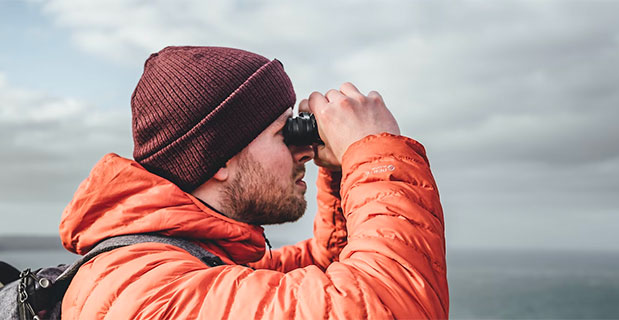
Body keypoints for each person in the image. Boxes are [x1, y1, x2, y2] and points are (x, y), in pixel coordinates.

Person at [59, 46, 448, 319]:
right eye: (286, 133)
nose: (306, 152)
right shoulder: (155, 297)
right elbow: (386, 306)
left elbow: (327, 271)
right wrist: (374, 152)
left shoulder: (186, 261)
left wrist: (341, 170)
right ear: (220, 160)